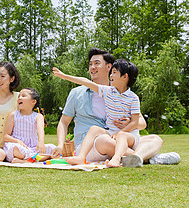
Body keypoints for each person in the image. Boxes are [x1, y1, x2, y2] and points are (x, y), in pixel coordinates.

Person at [51, 48, 181, 167]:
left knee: (154, 139)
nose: (92, 67)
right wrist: (60, 145)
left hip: (118, 137)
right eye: (90, 64)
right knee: (105, 140)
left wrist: (128, 124)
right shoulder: (77, 93)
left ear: (109, 67)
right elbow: (64, 122)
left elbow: (141, 123)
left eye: (96, 63)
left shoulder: (123, 95)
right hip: (91, 144)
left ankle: (136, 157)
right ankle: (150, 158)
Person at [53, 59, 141, 167]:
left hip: (127, 135)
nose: (111, 75)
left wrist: (119, 133)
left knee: (122, 136)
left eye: (114, 72)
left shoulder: (133, 98)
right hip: (111, 133)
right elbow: (85, 82)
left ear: (124, 77)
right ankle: (80, 157)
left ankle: (125, 158)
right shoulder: (108, 92)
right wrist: (65, 76)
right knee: (94, 129)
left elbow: (135, 122)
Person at [3, 88, 56, 163]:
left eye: (23, 96)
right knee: (14, 148)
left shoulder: (38, 116)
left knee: (52, 148)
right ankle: (36, 158)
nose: (19, 98)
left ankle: (25, 161)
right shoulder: (14, 115)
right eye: (19, 96)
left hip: (33, 147)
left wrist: (41, 142)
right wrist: (17, 141)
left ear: (33, 101)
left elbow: (40, 131)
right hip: (19, 146)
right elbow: (5, 136)